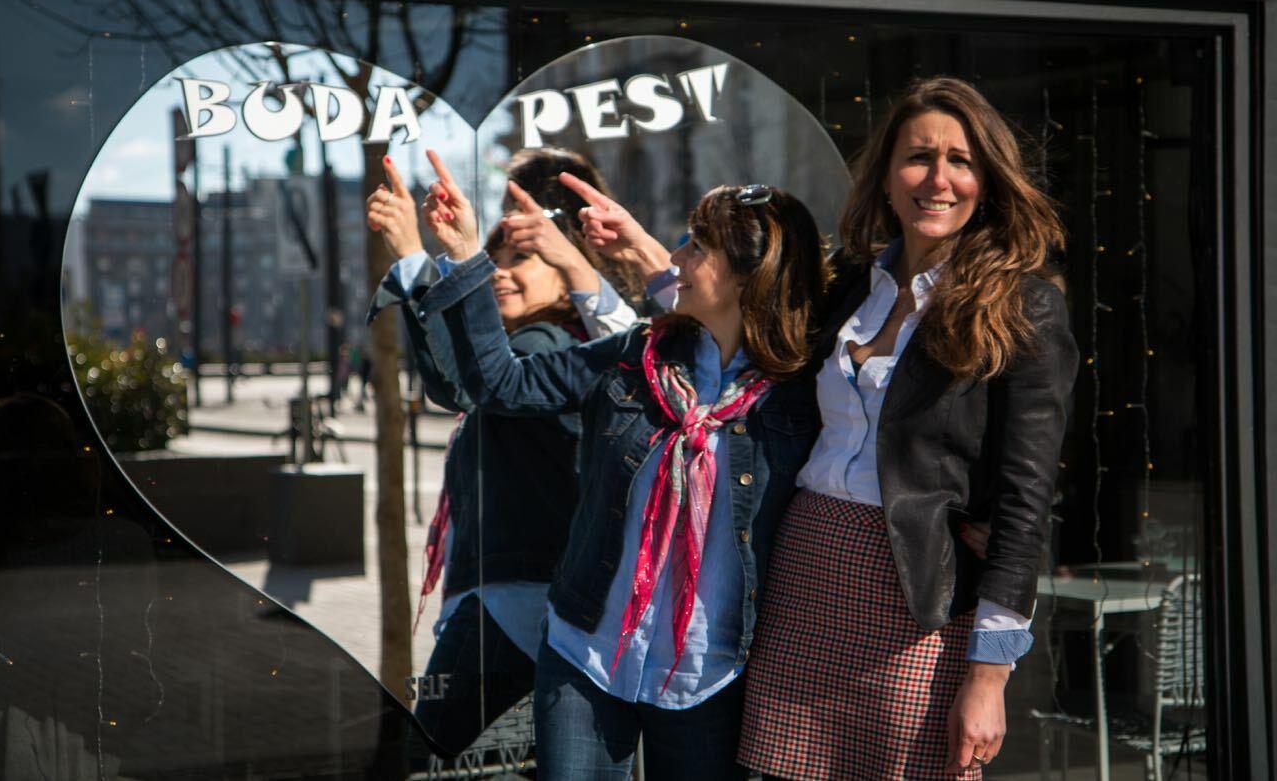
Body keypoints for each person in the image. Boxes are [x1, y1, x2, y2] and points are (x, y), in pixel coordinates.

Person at [411, 176, 826, 779]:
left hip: (710, 677)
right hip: (587, 656)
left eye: (695, 247)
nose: (674, 257)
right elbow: (497, 384)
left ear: (748, 274)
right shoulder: (638, 355)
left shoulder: (799, 395)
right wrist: (465, 255)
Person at [736, 76, 1079, 779]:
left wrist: (990, 677)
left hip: (917, 596)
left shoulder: (1024, 307)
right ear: (887, 178)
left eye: (961, 160)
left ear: (988, 180)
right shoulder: (848, 289)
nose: (939, 178)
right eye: (919, 157)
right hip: (805, 569)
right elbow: (734, 335)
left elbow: (1024, 501)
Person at [365, 147, 637, 760]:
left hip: (509, 604)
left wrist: (415, 255)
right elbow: (465, 376)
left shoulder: (548, 343)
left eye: (523, 257)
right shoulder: (547, 345)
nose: (499, 273)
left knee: (419, 760)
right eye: (494, 259)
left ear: (570, 265)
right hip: (522, 603)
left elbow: (464, 382)